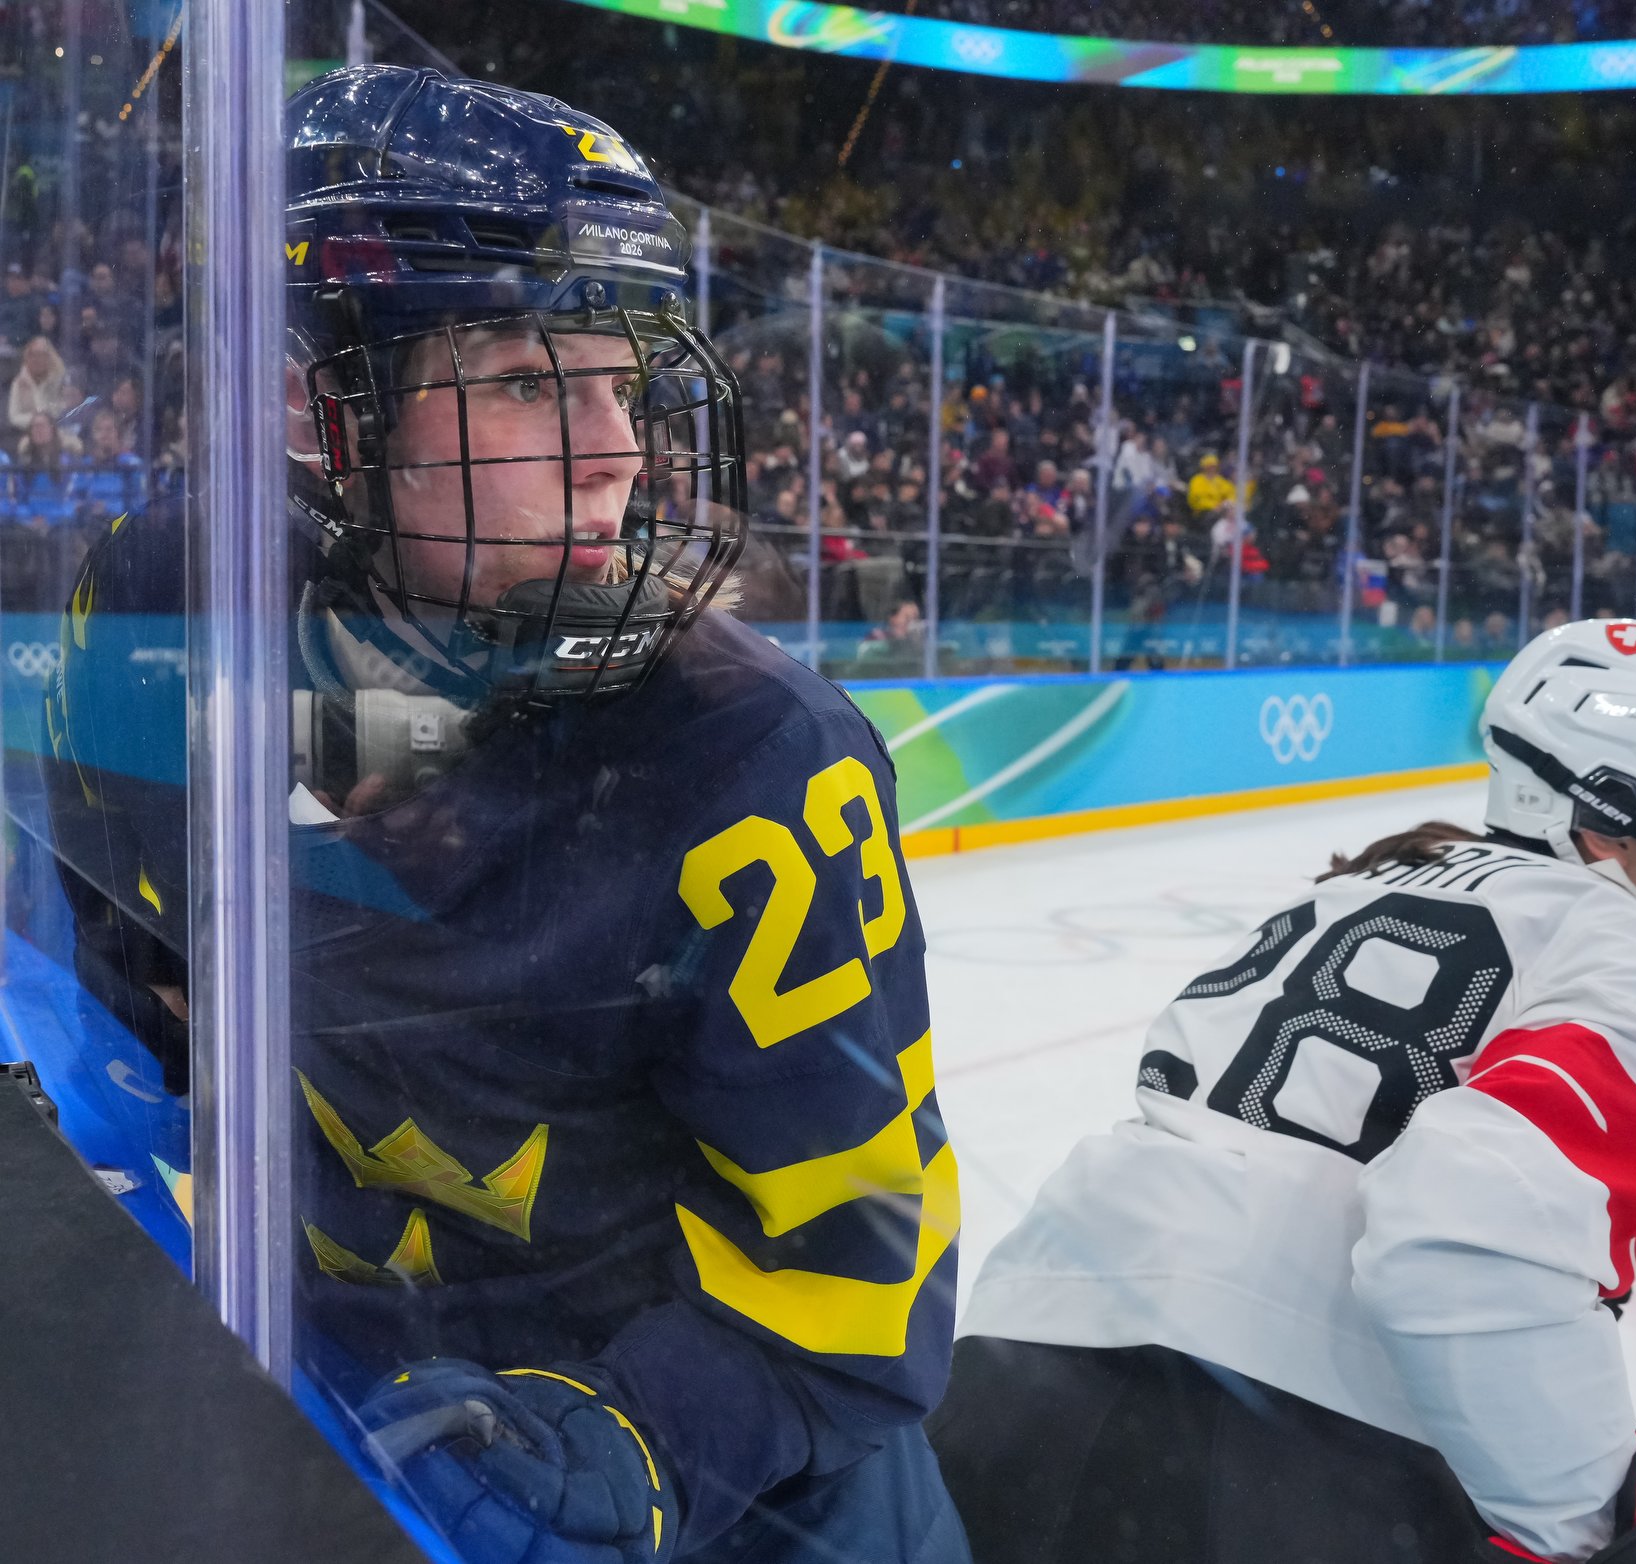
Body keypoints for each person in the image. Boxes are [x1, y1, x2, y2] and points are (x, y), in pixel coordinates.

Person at [48, 66, 967, 1564]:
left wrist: (638, 1435)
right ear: (310, 408)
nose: (619, 452)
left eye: (623, 380)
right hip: (345, 1420)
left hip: (740, 1516)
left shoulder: (753, 760)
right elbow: (110, 957)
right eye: (533, 383)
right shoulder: (166, 607)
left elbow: (863, 1276)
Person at [929, 619, 1636, 1564]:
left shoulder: (1353, 890)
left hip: (1002, 1381)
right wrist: (1594, 1537)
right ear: (1611, 813)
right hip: (1281, 1459)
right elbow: (1467, 1238)